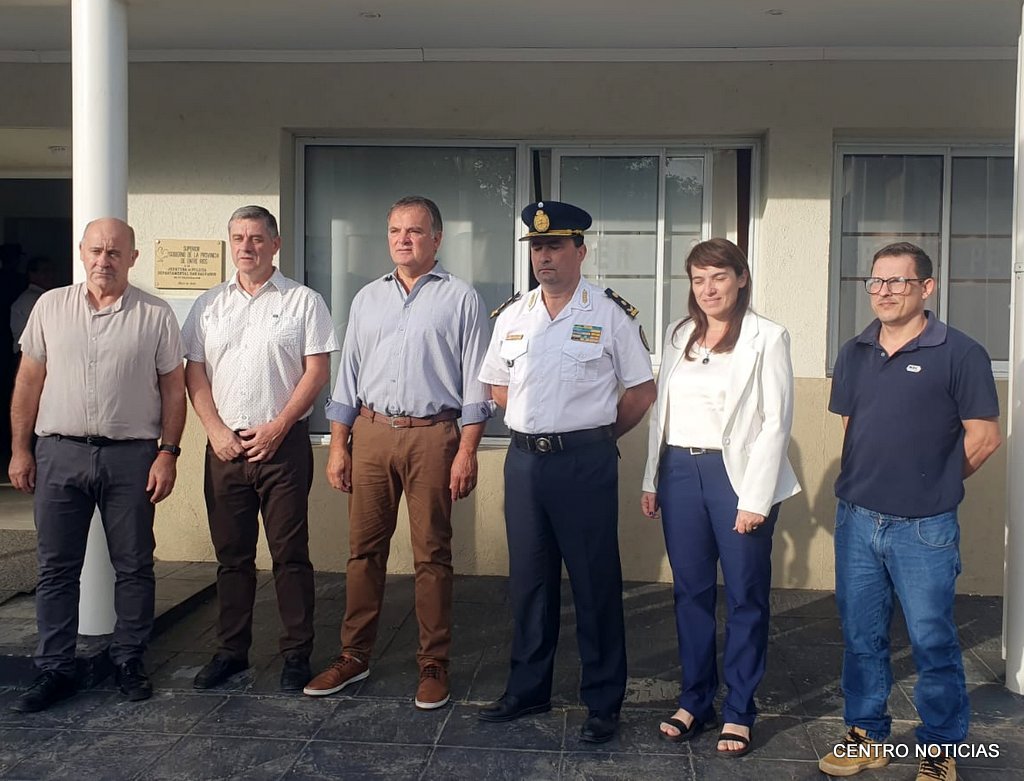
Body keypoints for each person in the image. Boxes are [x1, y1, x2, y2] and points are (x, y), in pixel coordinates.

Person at [819, 242, 1001, 781]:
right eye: (876, 281)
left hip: (924, 529)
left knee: (932, 640)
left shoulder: (960, 353)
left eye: (898, 281)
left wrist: (934, 481)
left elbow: (984, 437)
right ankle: (866, 733)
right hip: (858, 520)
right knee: (861, 637)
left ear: (927, 287)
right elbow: (852, 427)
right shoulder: (854, 351)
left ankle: (941, 748)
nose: (885, 292)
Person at [476, 200, 656, 744]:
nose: (544, 256)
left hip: (585, 463)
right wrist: (534, 424)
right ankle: (528, 689)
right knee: (529, 582)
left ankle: (602, 701)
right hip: (525, 464)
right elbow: (497, 385)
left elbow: (641, 390)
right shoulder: (514, 315)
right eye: (537, 247)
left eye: (555, 246)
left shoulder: (609, 313)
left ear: (581, 250)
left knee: (594, 583)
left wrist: (595, 436)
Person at [304, 196, 491, 710]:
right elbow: (347, 377)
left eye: (414, 231)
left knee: (432, 554)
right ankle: (354, 655)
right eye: (395, 231)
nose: (403, 239)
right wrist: (338, 446)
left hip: (433, 436)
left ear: (437, 238)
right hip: (370, 434)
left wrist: (467, 450)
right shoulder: (367, 298)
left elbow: (476, 383)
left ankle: (434, 663)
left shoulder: (461, 299)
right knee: (363, 551)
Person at [8, 218, 186, 712]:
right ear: (81, 252)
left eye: (114, 252)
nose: (104, 260)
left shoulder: (155, 314)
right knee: (55, 567)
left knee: (134, 565)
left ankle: (129, 660)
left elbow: (174, 390)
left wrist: (168, 453)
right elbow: (28, 382)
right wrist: (20, 449)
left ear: (133, 257)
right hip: (59, 453)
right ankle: (55, 669)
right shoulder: (50, 307)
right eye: (96, 251)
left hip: (132, 457)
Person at [640, 238, 800, 756]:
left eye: (719, 277)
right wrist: (651, 478)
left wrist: (756, 498)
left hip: (738, 479)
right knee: (690, 591)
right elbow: (662, 413)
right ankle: (695, 700)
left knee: (745, 595)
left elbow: (776, 422)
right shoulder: (678, 334)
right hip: (679, 472)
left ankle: (740, 710)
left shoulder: (767, 337)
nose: (708, 289)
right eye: (698, 279)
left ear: (741, 278)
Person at [182, 205, 339, 693]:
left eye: (256, 238)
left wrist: (278, 426)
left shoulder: (303, 301)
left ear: (275, 244)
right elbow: (194, 372)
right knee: (232, 557)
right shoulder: (208, 304)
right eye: (238, 238)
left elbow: (317, 371)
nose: (246, 247)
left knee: (290, 555)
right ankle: (231, 651)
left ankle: (296, 654)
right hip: (225, 448)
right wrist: (214, 430)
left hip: (282, 448)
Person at [11, 256, 57, 356]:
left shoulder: (43, 297)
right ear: (32, 275)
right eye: (45, 271)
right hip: (27, 355)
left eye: (52, 271)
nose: (51, 275)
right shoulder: (31, 299)